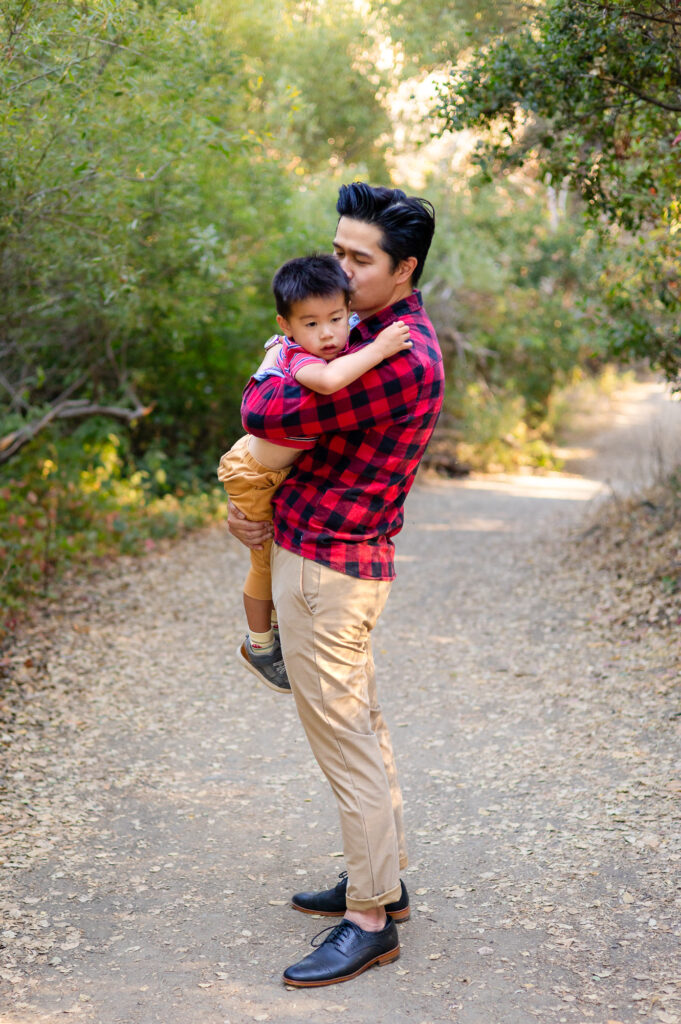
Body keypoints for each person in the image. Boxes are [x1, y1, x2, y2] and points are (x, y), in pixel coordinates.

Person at [229, 183, 444, 987]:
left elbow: (267, 411)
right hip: (328, 556)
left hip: (328, 570)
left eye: (359, 259)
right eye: (337, 251)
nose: (340, 271)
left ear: (404, 268)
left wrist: (268, 371)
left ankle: (369, 921)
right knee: (364, 731)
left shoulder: (395, 358)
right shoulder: (364, 335)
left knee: (345, 743)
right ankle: (379, 884)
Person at [218, 254, 412, 694]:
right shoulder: (299, 357)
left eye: (336, 319)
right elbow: (327, 382)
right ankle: (259, 645)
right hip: (253, 470)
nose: (326, 333)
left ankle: (274, 631)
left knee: (274, 552)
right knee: (263, 557)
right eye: (310, 324)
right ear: (285, 325)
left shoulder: (335, 336)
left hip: (276, 468)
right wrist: (379, 349)